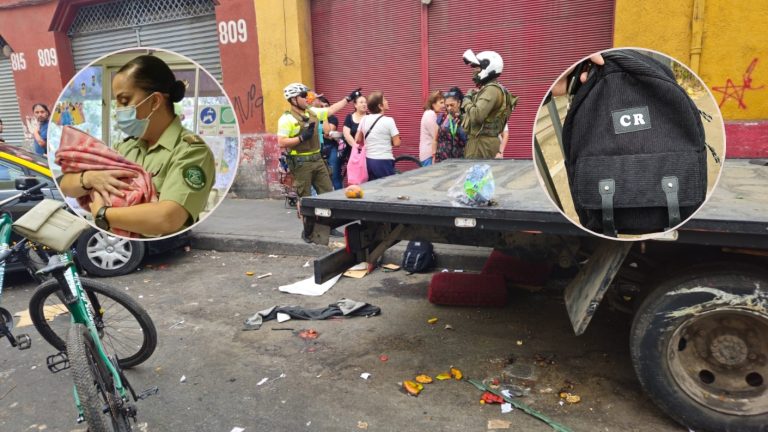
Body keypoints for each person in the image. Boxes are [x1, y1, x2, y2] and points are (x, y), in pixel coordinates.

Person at [58, 54, 216, 237]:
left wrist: (103, 214)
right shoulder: (125, 147)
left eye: (124, 101)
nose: (117, 109)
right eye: (116, 102)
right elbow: (66, 185)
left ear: (155, 101)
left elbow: (168, 218)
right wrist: (89, 178)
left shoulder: (191, 152)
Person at [278, 83, 361, 241]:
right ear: (294, 99)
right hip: (301, 163)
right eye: (304, 96)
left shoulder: (312, 112)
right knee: (306, 200)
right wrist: (301, 138)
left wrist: (348, 98)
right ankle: (308, 232)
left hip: (317, 159)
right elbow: (281, 142)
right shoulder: (286, 119)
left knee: (327, 194)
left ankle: (327, 228)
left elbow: (330, 110)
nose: (307, 98)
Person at [460, 49, 518, 159]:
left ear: (488, 68)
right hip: (483, 143)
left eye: (477, 68)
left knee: (477, 175)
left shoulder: (491, 90)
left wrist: (467, 99)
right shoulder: (494, 89)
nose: (474, 71)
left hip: (481, 145)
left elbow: (477, 115)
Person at [354, 91, 400, 180]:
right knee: (387, 188)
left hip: (369, 161)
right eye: (385, 100)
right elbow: (397, 142)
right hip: (384, 161)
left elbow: (358, 139)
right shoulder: (389, 120)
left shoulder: (364, 119)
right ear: (380, 106)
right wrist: (386, 140)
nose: (387, 101)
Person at [313, 95, 343, 190]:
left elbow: (328, 133)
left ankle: (340, 199)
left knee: (334, 175)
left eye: (326, 106)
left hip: (331, 148)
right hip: (317, 149)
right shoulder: (312, 118)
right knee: (319, 177)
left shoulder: (333, 118)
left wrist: (323, 116)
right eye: (322, 107)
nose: (324, 108)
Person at [435, 87, 468, 162]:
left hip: (459, 160)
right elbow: (435, 140)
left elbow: (468, 140)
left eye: (452, 105)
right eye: (447, 105)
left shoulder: (465, 118)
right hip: (442, 158)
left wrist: (460, 126)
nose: (449, 108)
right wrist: (434, 156)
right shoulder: (442, 118)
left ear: (459, 103)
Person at [342, 94, 367, 179]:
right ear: (355, 105)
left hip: (367, 152)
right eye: (361, 102)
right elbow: (346, 133)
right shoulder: (349, 117)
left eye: (365, 102)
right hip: (353, 152)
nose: (364, 104)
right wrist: (356, 147)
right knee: (355, 177)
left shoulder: (370, 117)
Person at [420, 91, 444, 166]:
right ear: (433, 104)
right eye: (441, 103)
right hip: (430, 156)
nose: (443, 105)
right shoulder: (430, 114)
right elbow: (436, 135)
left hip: (428, 155)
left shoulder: (429, 114)